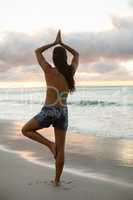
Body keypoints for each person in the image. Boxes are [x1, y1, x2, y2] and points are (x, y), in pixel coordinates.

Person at [21, 30, 79, 186]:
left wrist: (54, 43)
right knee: (62, 149)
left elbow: (37, 51)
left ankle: (49, 145)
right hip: (63, 112)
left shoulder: (48, 70)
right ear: (65, 58)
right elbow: (77, 55)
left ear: (53, 58)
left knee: (25, 130)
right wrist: (63, 44)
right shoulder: (70, 72)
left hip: (49, 110)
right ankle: (57, 180)